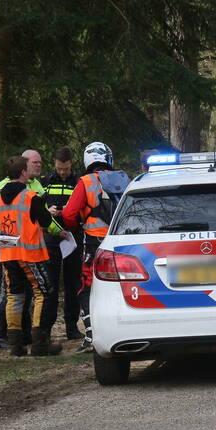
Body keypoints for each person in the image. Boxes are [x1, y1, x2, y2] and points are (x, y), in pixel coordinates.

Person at [0, 149, 62, 350]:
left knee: (14, 296)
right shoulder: (30, 196)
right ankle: (39, 343)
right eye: (27, 169)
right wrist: (55, 224)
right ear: (22, 172)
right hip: (29, 254)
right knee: (43, 293)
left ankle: (15, 345)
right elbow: (45, 221)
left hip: (8, 255)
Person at [61, 142, 129, 352]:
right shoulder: (124, 179)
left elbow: (68, 214)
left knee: (87, 287)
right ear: (109, 158)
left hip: (95, 242)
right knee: (123, 285)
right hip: (123, 242)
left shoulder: (86, 181)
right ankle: (125, 330)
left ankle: (91, 336)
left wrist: (77, 226)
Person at [40, 146, 84, 341]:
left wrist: (67, 210)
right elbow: (36, 206)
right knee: (50, 284)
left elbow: (85, 207)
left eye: (65, 168)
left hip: (73, 237)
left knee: (73, 283)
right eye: (59, 168)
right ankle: (46, 329)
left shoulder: (79, 182)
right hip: (51, 237)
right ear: (54, 164)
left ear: (71, 164)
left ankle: (71, 327)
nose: (63, 172)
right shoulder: (46, 182)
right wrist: (47, 211)